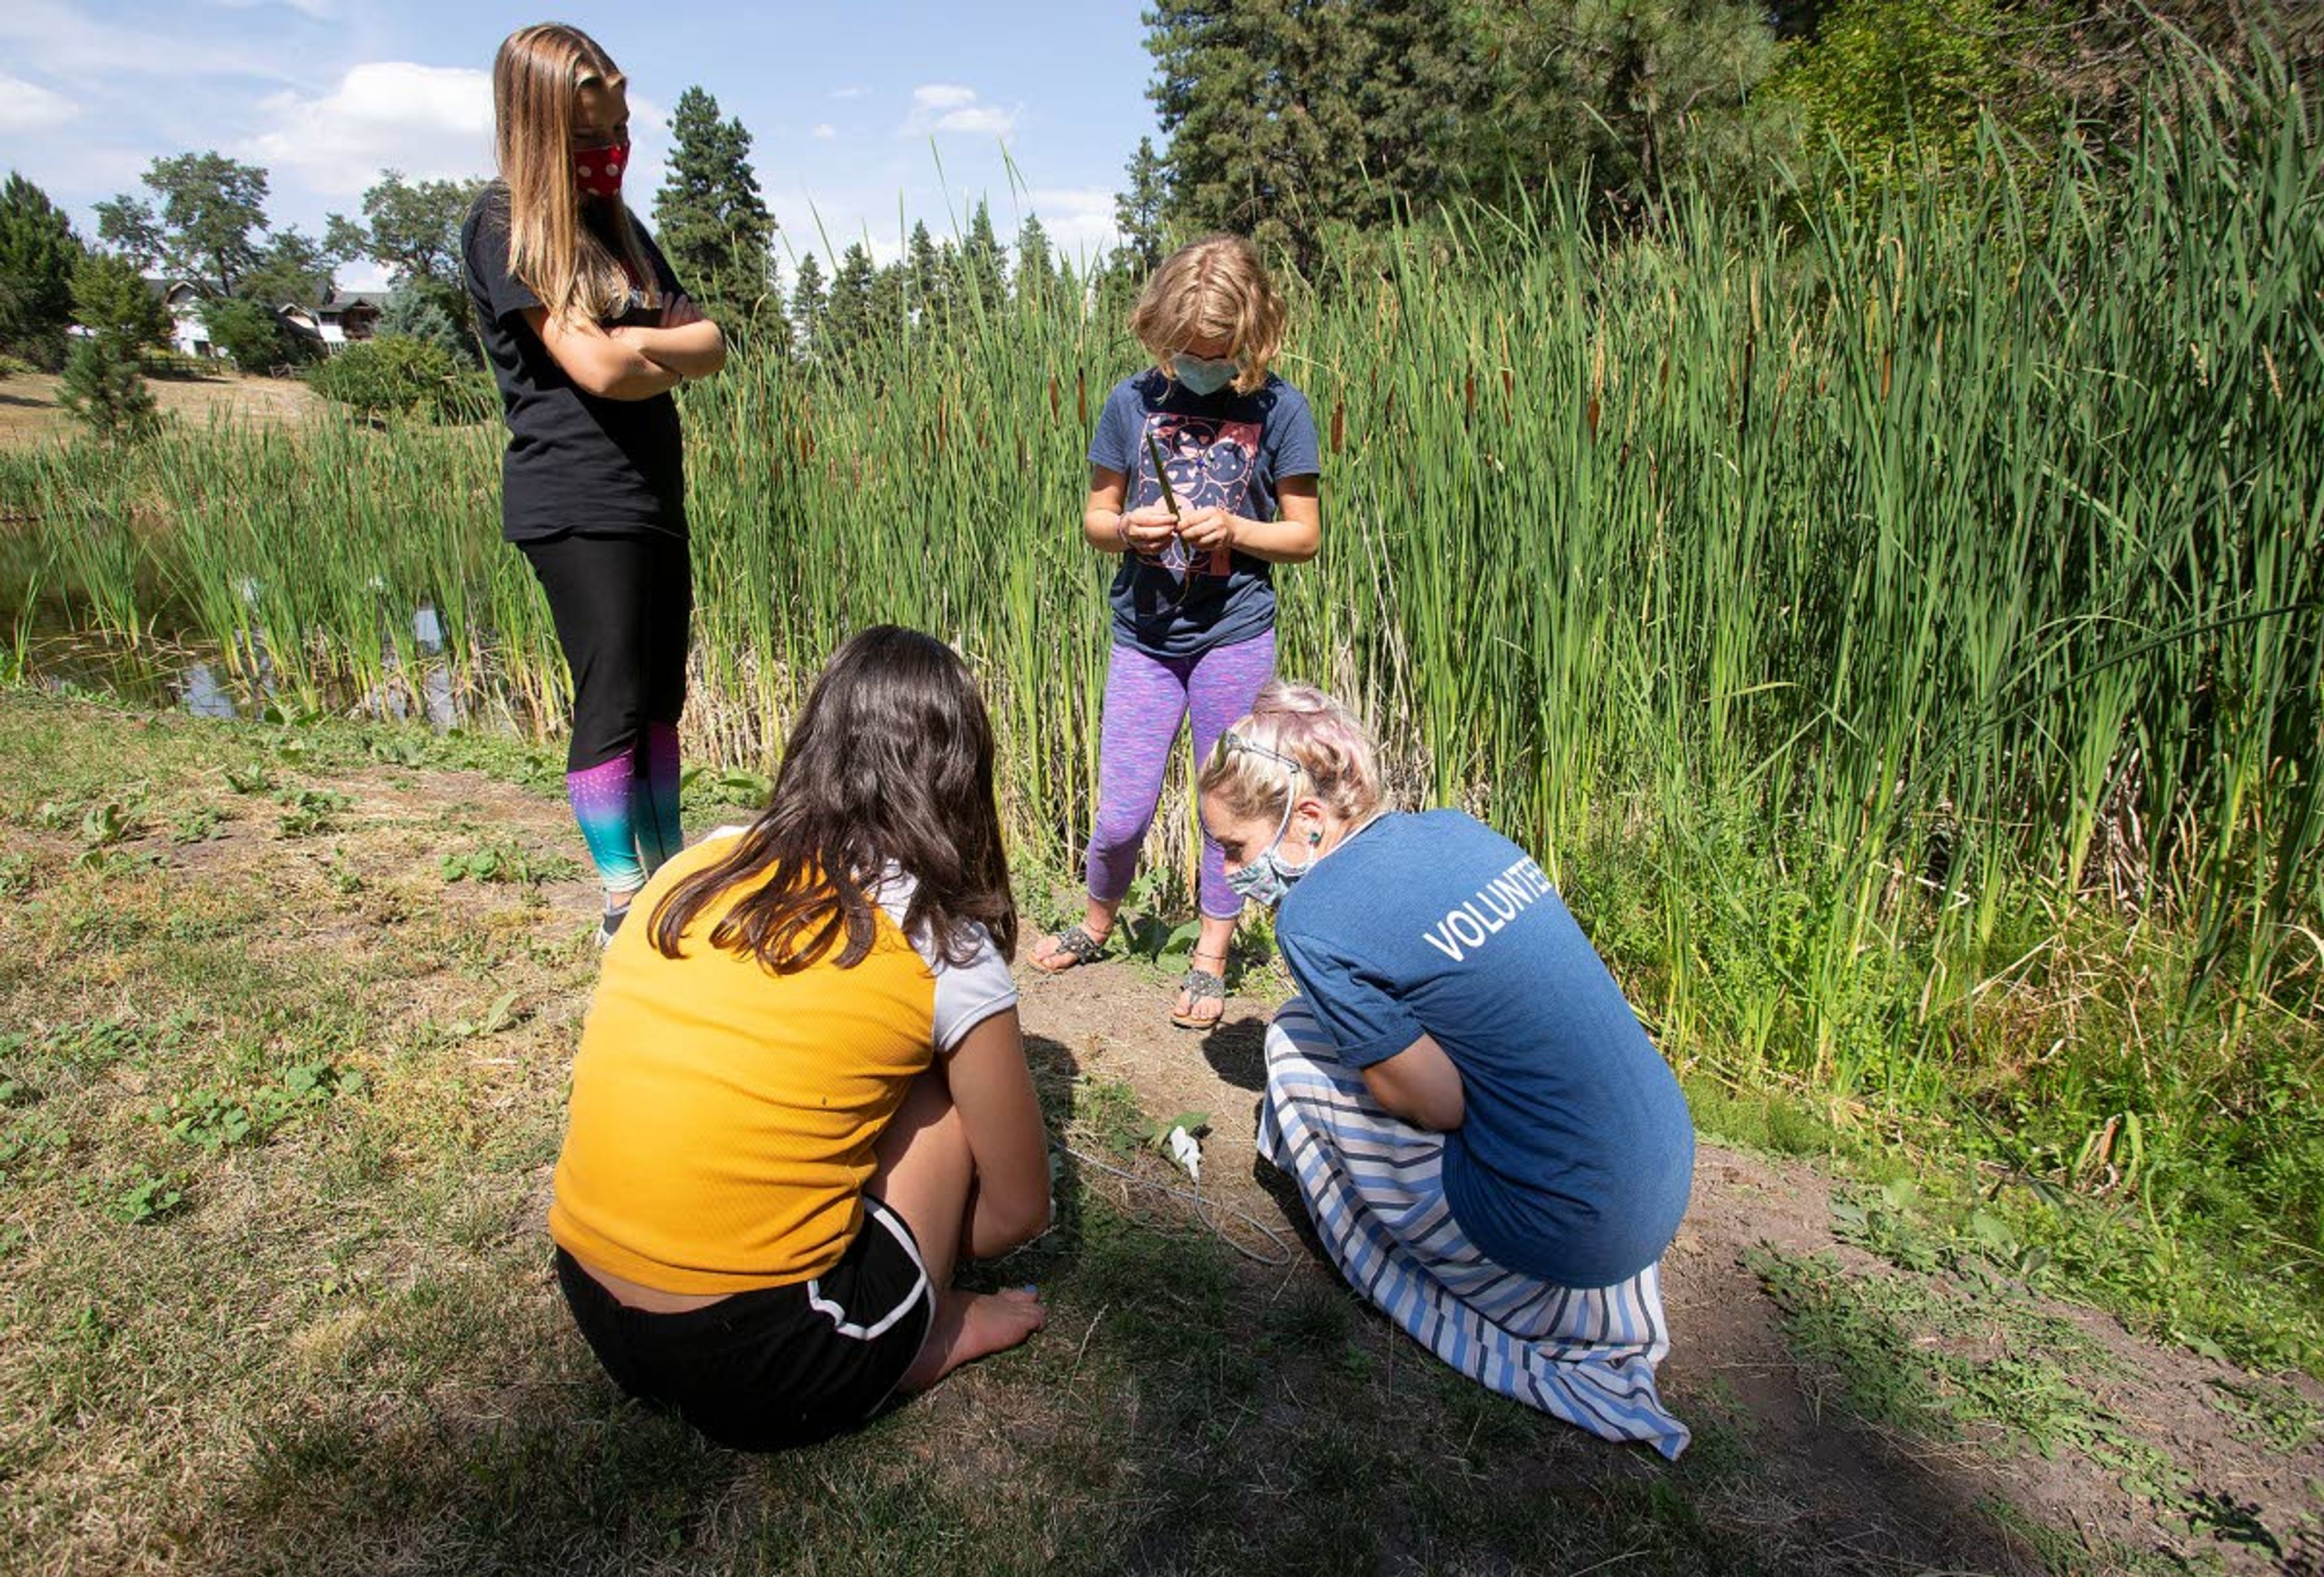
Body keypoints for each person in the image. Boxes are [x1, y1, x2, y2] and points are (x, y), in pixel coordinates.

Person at [548, 626, 1052, 1449]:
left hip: (594, 1304)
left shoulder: (699, 862)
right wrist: (932, 1248)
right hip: (759, 1361)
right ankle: (922, 1330)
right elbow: (1020, 1208)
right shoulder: (938, 939)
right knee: (942, 1100)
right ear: (960, 776)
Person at [1196, 682, 1696, 1457]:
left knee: (1292, 1046)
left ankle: (1397, 1261)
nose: (1230, 874)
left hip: (1565, 1232)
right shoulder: (1459, 831)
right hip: (1659, 1177)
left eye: (1234, 847)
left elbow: (1440, 1104)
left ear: (1311, 821)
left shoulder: (1312, 917)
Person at [462, 23, 727, 946]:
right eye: (593, 128)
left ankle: (671, 873)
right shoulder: (506, 224)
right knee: (612, 695)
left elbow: (709, 344)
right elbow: (597, 376)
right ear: (545, 113)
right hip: (575, 499)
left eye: (614, 132)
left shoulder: (617, 229)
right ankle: (624, 899)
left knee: (661, 695)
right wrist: (643, 353)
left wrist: (636, 340)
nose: (612, 147)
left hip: (653, 494)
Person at [1029, 235, 1322, 1029]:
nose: (1197, 364)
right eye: (1184, 351)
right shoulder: (1130, 401)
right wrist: (1129, 530)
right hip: (1145, 637)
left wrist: (1234, 526)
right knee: (1122, 808)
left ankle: (1210, 956)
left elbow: (1304, 535)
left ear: (1251, 337)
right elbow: (1094, 517)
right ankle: (1097, 924)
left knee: (1225, 803)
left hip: (1234, 635)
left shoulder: (1280, 410)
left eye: (1214, 353)